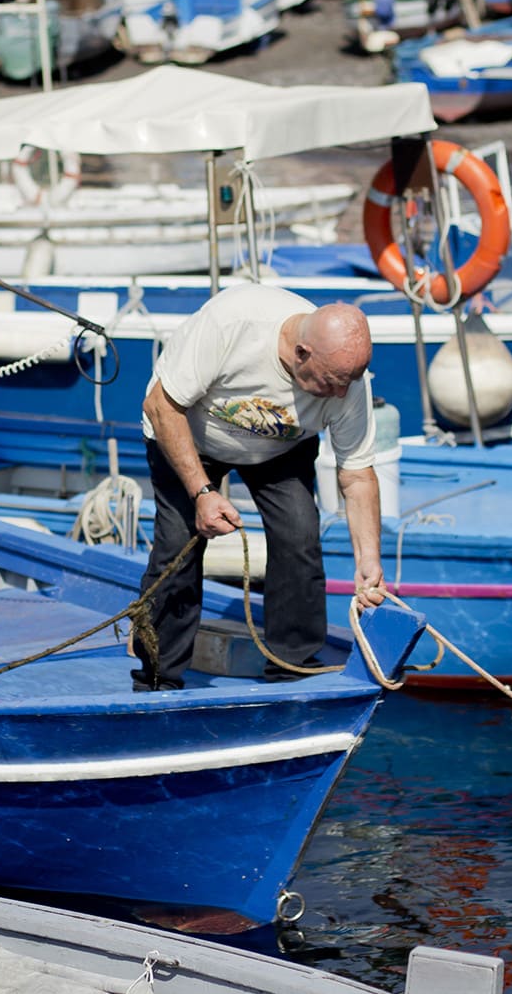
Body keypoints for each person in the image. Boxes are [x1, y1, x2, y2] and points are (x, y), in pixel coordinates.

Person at [132, 284, 385, 691]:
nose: (340, 394)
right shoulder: (234, 323)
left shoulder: (349, 382)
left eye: (348, 382)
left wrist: (368, 559)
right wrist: (202, 492)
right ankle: (158, 676)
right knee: (178, 549)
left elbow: (356, 475)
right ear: (301, 353)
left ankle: (293, 666)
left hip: (280, 446)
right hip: (187, 434)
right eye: (331, 381)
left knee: (300, 536)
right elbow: (162, 406)